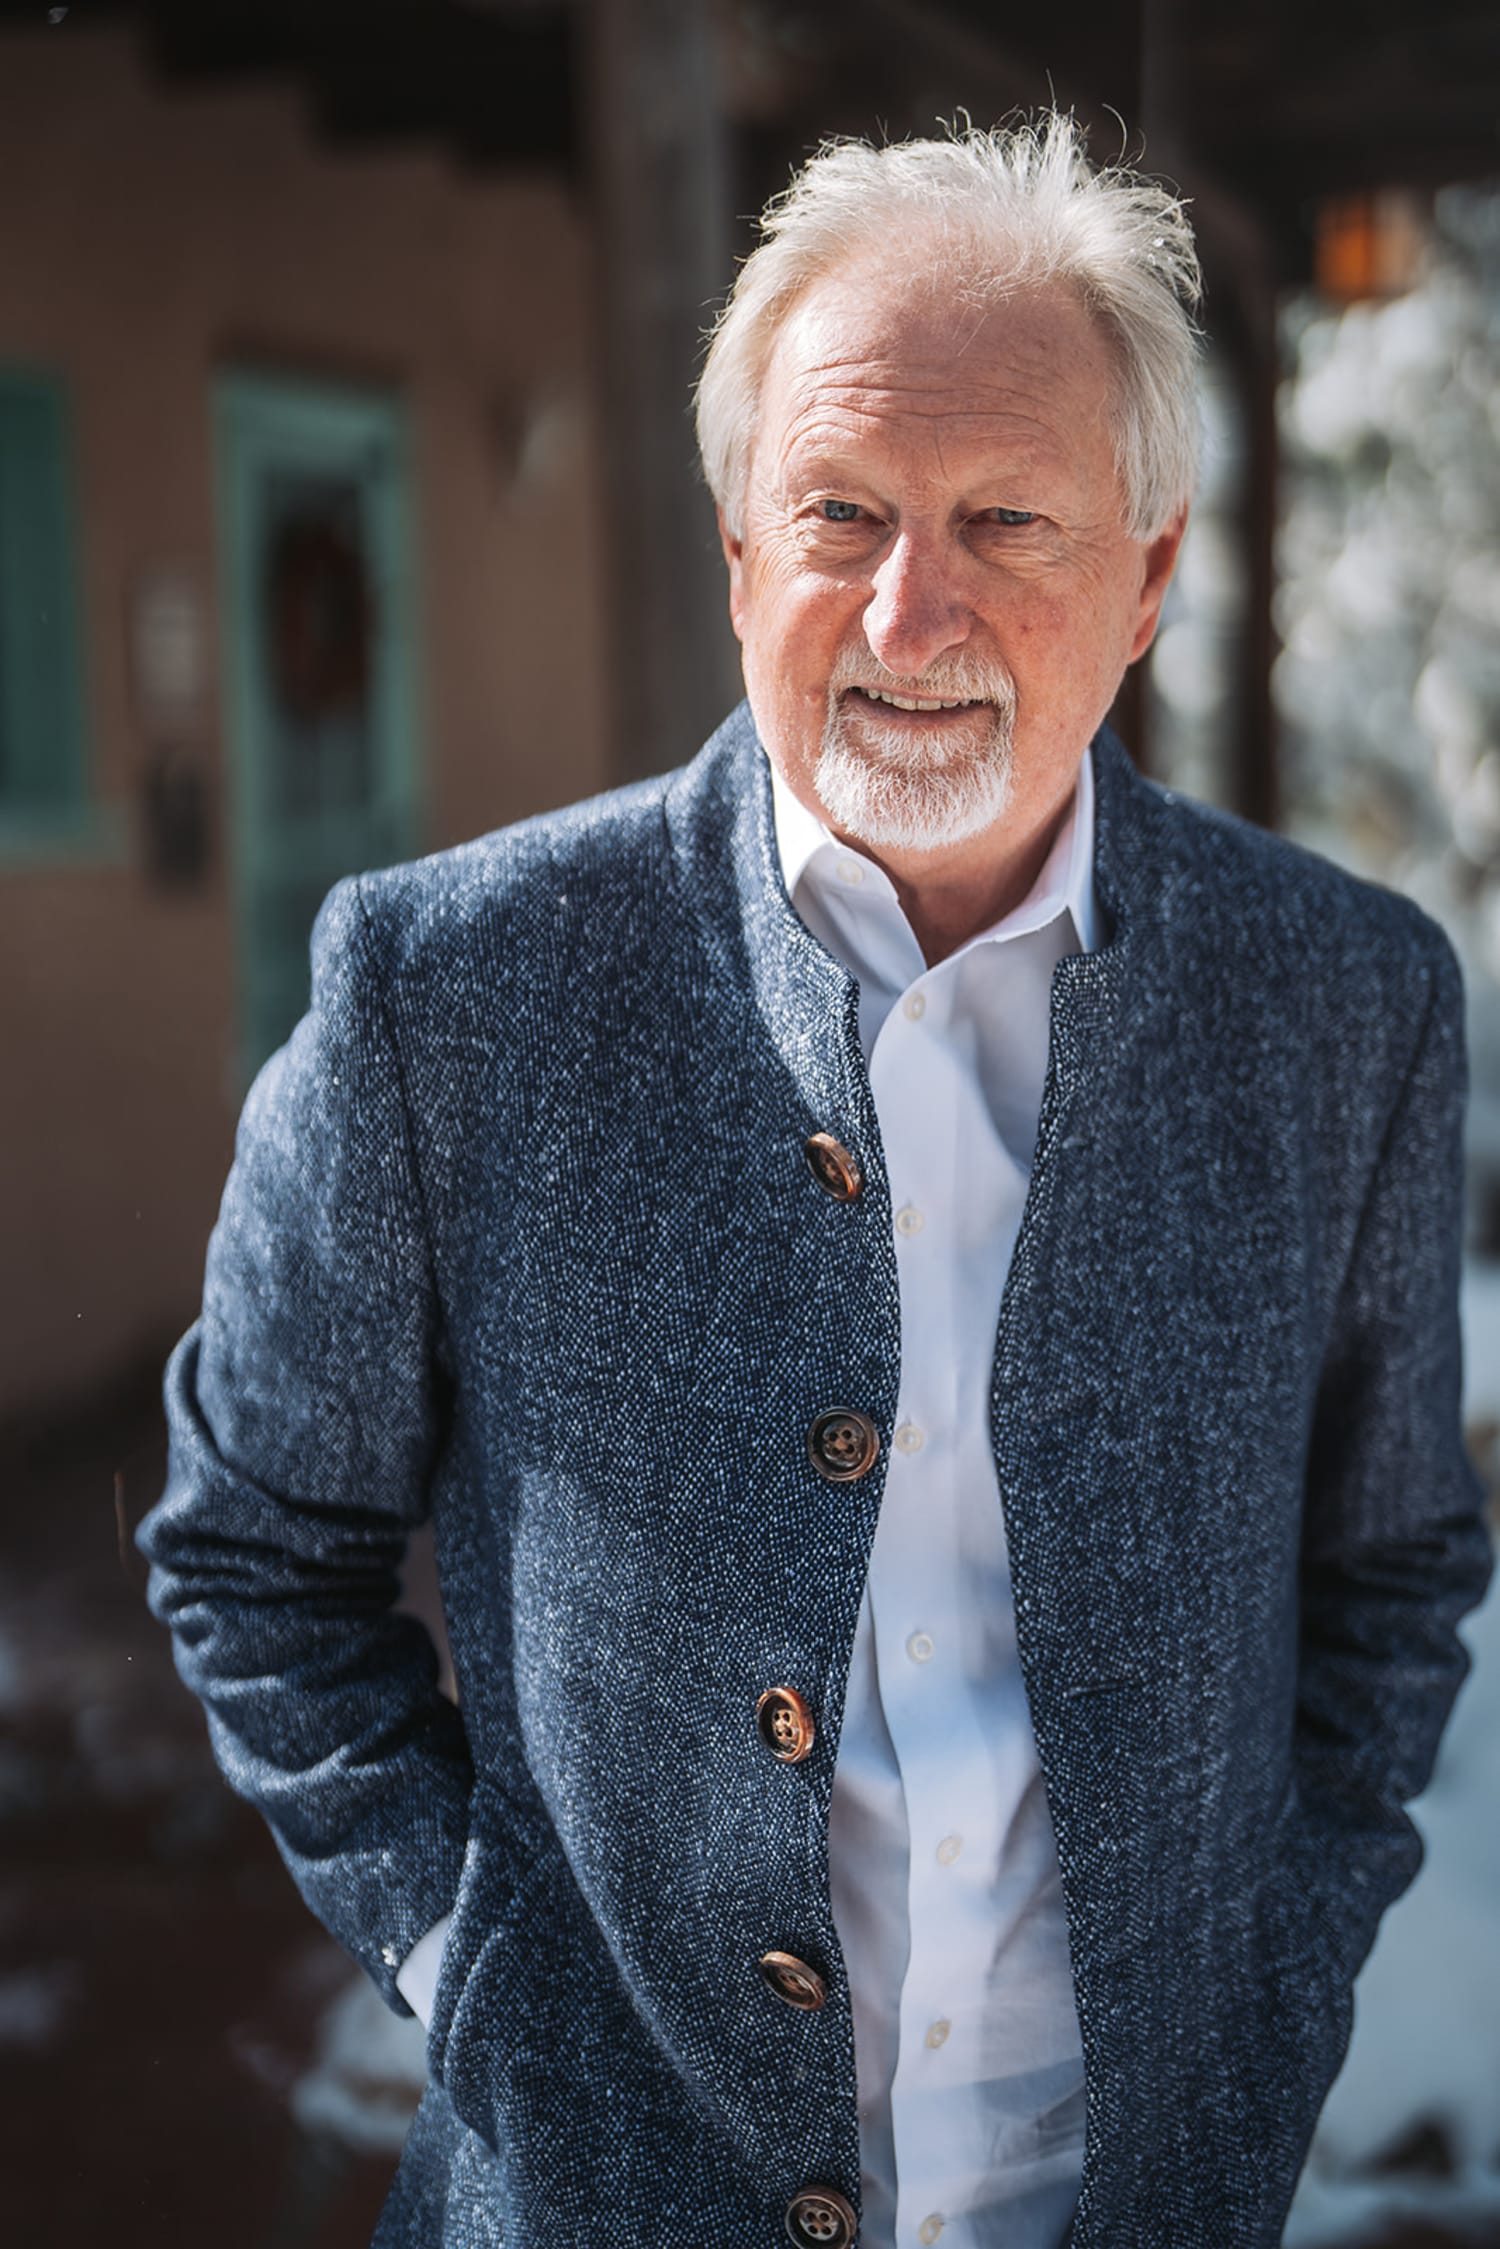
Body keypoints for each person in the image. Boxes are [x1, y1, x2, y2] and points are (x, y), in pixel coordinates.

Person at [138, 116, 1492, 2249]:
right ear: (739, 546)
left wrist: (1274, 1998)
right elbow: (250, 1549)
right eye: (838, 512)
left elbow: (1394, 1576)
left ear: (1147, 577)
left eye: (1004, 521)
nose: (905, 606)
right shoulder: (449, 990)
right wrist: (466, 1969)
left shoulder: (1348, 1006)